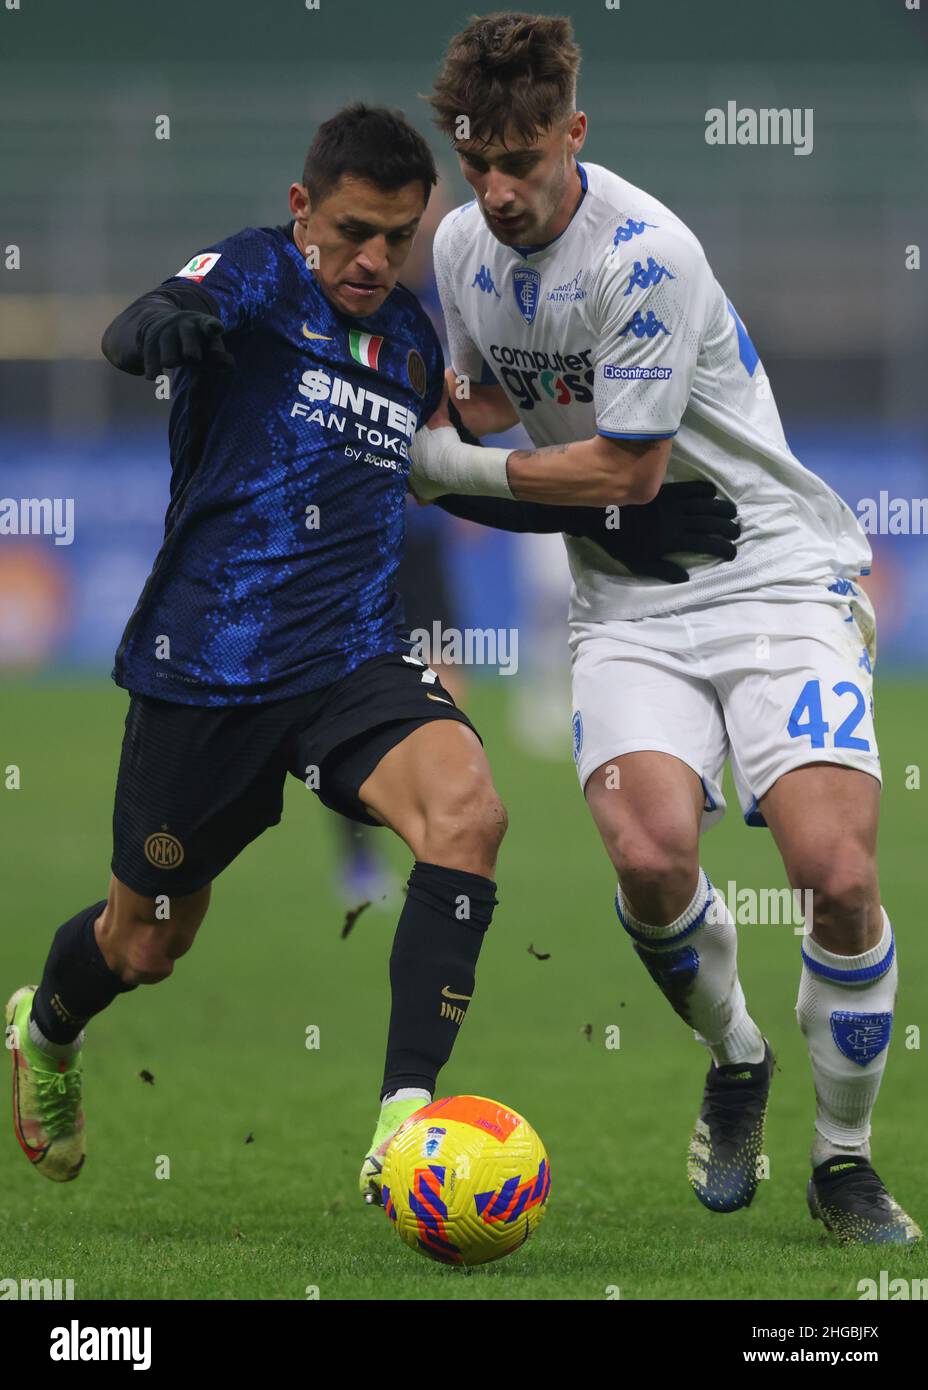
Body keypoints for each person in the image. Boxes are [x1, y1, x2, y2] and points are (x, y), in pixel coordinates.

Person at [4, 102, 736, 1206]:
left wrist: (620, 522)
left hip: (350, 656)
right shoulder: (256, 273)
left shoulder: (410, 339)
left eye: (397, 237)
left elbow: (445, 479)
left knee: (469, 810)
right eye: (351, 231)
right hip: (208, 668)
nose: (372, 258)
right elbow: (152, 312)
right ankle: (45, 1029)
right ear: (303, 210)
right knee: (145, 942)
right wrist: (152, 328)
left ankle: (405, 1119)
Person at [408, 11, 920, 1245]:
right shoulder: (461, 244)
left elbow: (628, 474)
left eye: (521, 160)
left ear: (572, 134)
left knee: (835, 873)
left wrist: (431, 472)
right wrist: (390, 405)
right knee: (645, 859)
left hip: (770, 576)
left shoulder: (643, 252)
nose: (497, 188)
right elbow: (483, 393)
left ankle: (844, 1161)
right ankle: (737, 1056)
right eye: (475, 161)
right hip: (627, 602)